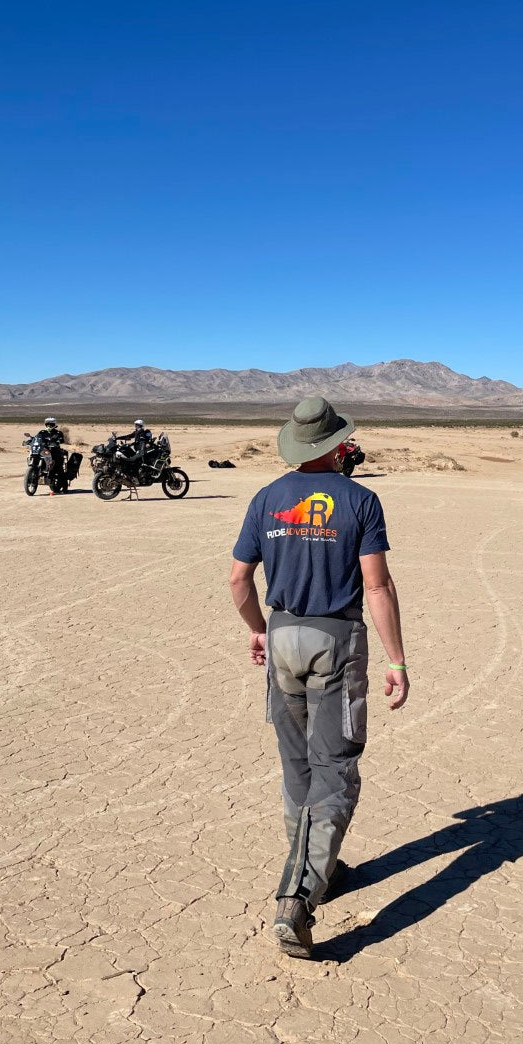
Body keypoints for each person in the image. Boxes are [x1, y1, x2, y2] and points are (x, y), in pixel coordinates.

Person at [229, 396, 410, 959]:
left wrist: (260, 629)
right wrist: (397, 660)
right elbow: (376, 586)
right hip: (335, 642)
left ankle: (319, 871)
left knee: (298, 767)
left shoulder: (266, 499)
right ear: (336, 444)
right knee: (335, 769)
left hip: (281, 637)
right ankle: (298, 898)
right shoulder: (360, 501)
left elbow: (238, 580)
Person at [34, 416, 66, 489]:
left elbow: (61, 440)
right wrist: (31, 441)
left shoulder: (58, 432)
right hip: (44, 450)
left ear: (54, 425)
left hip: (55, 451)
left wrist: (57, 441)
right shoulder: (42, 432)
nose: (49, 426)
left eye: (51, 424)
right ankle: (36, 471)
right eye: (47, 424)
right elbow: (37, 438)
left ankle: (64, 487)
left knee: (59, 468)